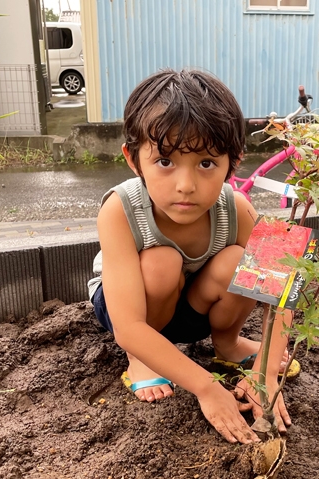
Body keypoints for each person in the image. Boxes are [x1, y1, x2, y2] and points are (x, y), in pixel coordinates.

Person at [87, 68, 293, 444]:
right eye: (165, 162)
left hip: (193, 309)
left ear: (233, 161)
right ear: (133, 160)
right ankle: (142, 359)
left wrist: (265, 374)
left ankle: (227, 343)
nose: (185, 185)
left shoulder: (239, 208)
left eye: (206, 163)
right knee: (160, 261)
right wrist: (206, 387)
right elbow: (128, 324)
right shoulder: (118, 210)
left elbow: (285, 282)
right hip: (130, 314)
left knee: (236, 260)